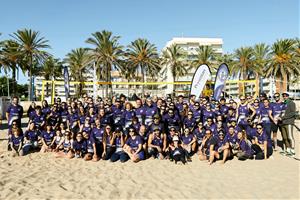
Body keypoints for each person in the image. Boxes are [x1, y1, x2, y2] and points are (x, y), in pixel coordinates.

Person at [278, 92, 297, 157]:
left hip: (289, 122)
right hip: (283, 123)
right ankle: (288, 150)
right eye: (283, 96)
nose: (284, 97)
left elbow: (293, 113)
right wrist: (279, 117)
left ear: (288, 96)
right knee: (285, 137)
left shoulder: (291, 103)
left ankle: (293, 150)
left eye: (286, 96)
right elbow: (282, 112)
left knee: (290, 137)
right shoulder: (283, 103)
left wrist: (283, 117)